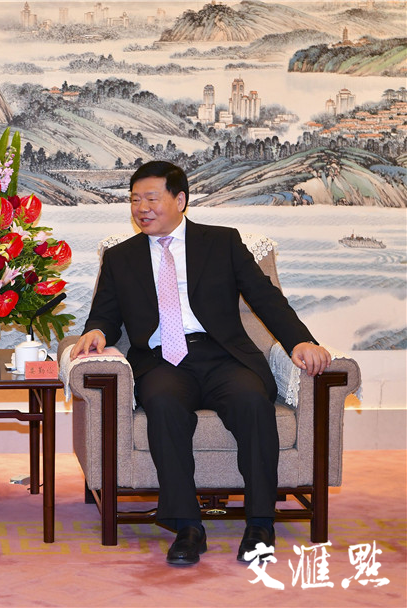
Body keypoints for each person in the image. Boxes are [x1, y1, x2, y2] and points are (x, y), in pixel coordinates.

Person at [70, 161, 331, 566]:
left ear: (180, 200)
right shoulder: (121, 257)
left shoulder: (222, 242)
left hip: (224, 356)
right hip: (161, 361)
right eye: (135, 199)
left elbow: (266, 298)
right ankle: (188, 527)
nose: (142, 208)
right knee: (163, 405)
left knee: (252, 404)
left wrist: (301, 340)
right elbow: (104, 314)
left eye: (151, 198)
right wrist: (96, 332)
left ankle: (260, 523)